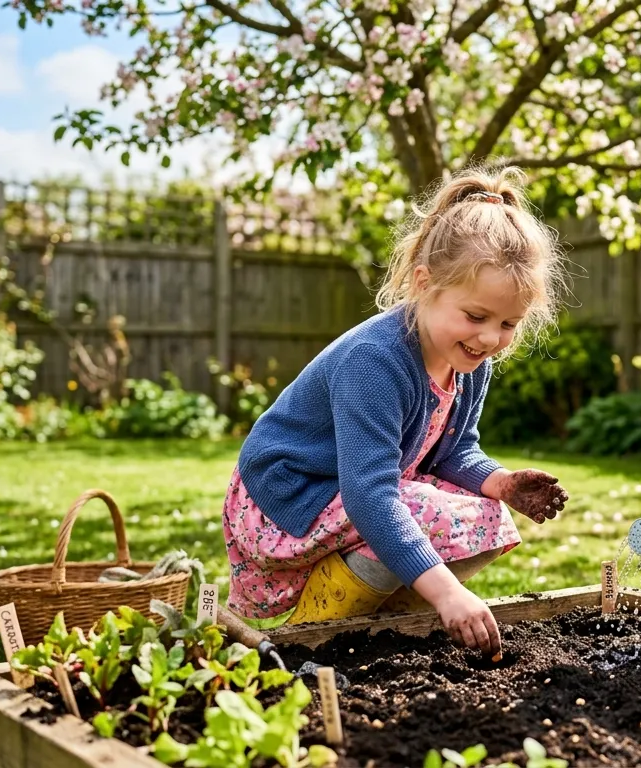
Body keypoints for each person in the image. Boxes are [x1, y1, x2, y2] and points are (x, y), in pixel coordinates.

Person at [222, 167, 570, 653]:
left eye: (509, 323)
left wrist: (502, 484)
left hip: (345, 494)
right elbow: (370, 494)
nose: (491, 338)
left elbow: (454, 452)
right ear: (424, 283)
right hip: (286, 501)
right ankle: (313, 629)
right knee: (420, 509)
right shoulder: (377, 361)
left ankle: (387, 623)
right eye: (475, 316)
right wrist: (451, 591)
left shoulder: (467, 362)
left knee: (487, 515)